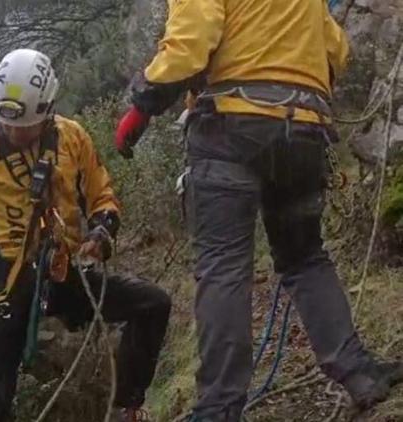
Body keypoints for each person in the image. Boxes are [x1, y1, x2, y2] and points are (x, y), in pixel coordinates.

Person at [114, 0, 403, 420]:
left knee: (224, 266)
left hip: (230, 127)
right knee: (305, 257)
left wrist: (142, 104)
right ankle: (359, 373)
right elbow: (336, 48)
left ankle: (219, 408)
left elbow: (192, 44)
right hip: (304, 129)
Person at [0, 48, 172, 422]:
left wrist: (102, 228)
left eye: (25, 125)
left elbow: (101, 194)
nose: (14, 132)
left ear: (48, 111)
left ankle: (124, 407)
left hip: (56, 273)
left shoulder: (71, 138)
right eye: (6, 123)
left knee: (152, 304)